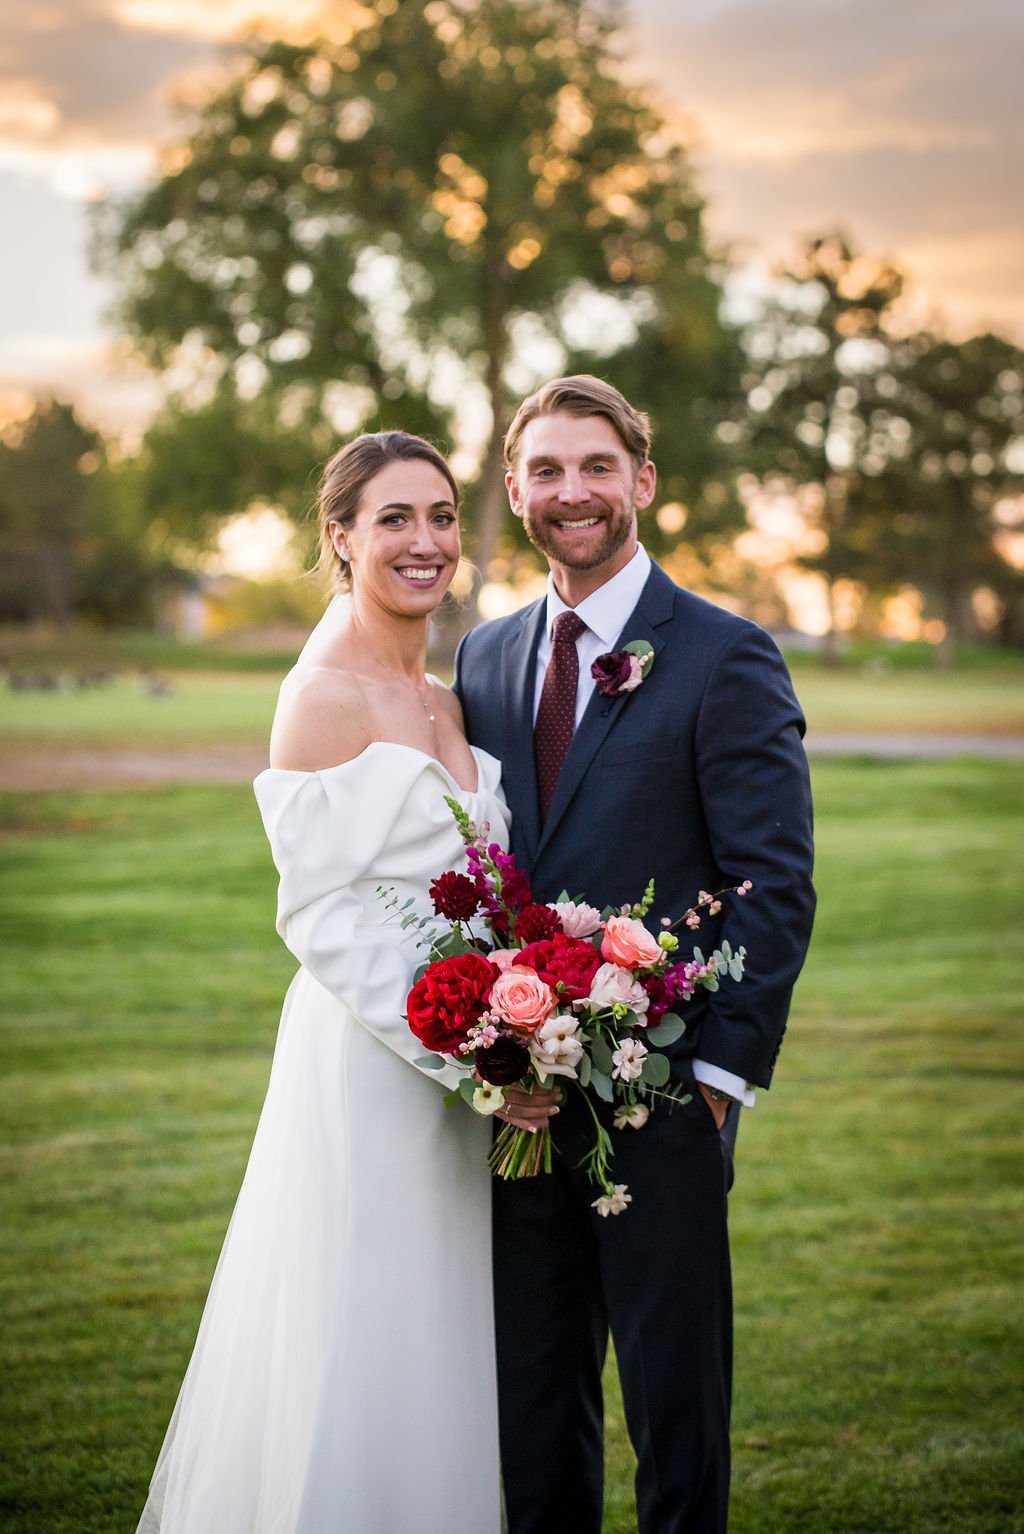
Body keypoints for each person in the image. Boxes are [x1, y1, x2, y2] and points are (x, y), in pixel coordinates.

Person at [136, 430, 554, 1534]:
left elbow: (485, 892)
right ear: (340, 536)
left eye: (442, 517)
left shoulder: (446, 697)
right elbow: (322, 919)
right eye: (394, 520)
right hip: (374, 1070)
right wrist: (475, 1055)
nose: (426, 542)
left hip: (466, 1078)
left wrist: (531, 1016)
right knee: (369, 1327)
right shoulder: (319, 695)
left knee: (443, 1328)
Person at [453, 376, 816, 1534]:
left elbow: (774, 880)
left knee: (674, 1406)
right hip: (520, 1105)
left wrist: (714, 1083)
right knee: (534, 1402)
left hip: (664, 1098)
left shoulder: (723, 653)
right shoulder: (485, 659)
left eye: (597, 467)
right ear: (514, 490)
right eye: (547, 471)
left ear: (642, 482)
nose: (573, 493)